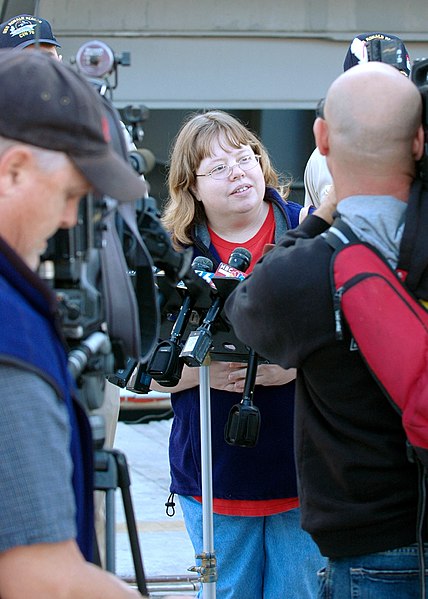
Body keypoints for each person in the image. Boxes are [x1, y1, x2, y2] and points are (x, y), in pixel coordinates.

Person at [224, 61, 426, 598]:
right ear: (420, 139)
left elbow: (246, 307)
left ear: (322, 139)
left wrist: (317, 218)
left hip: (370, 544)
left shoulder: (311, 268)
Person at [150, 110, 325, 599]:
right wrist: (205, 372)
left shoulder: (309, 233)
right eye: (218, 168)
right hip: (212, 472)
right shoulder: (174, 254)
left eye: (244, 157)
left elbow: (353, 342)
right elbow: (146, 369)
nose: (238, 173)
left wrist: (293, 369)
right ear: (191, 187)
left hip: (304, 468)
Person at [0, 48, 152, 598]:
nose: (71, 219)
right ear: (14, 170)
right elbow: (42, 582)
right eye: (69, 194)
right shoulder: (8, 330)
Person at [303, 32, 411, 210]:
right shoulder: (323, 158)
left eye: (395, 80)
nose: (383, 93)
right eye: (370, 83)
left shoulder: (420, 146)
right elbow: (315, 226)